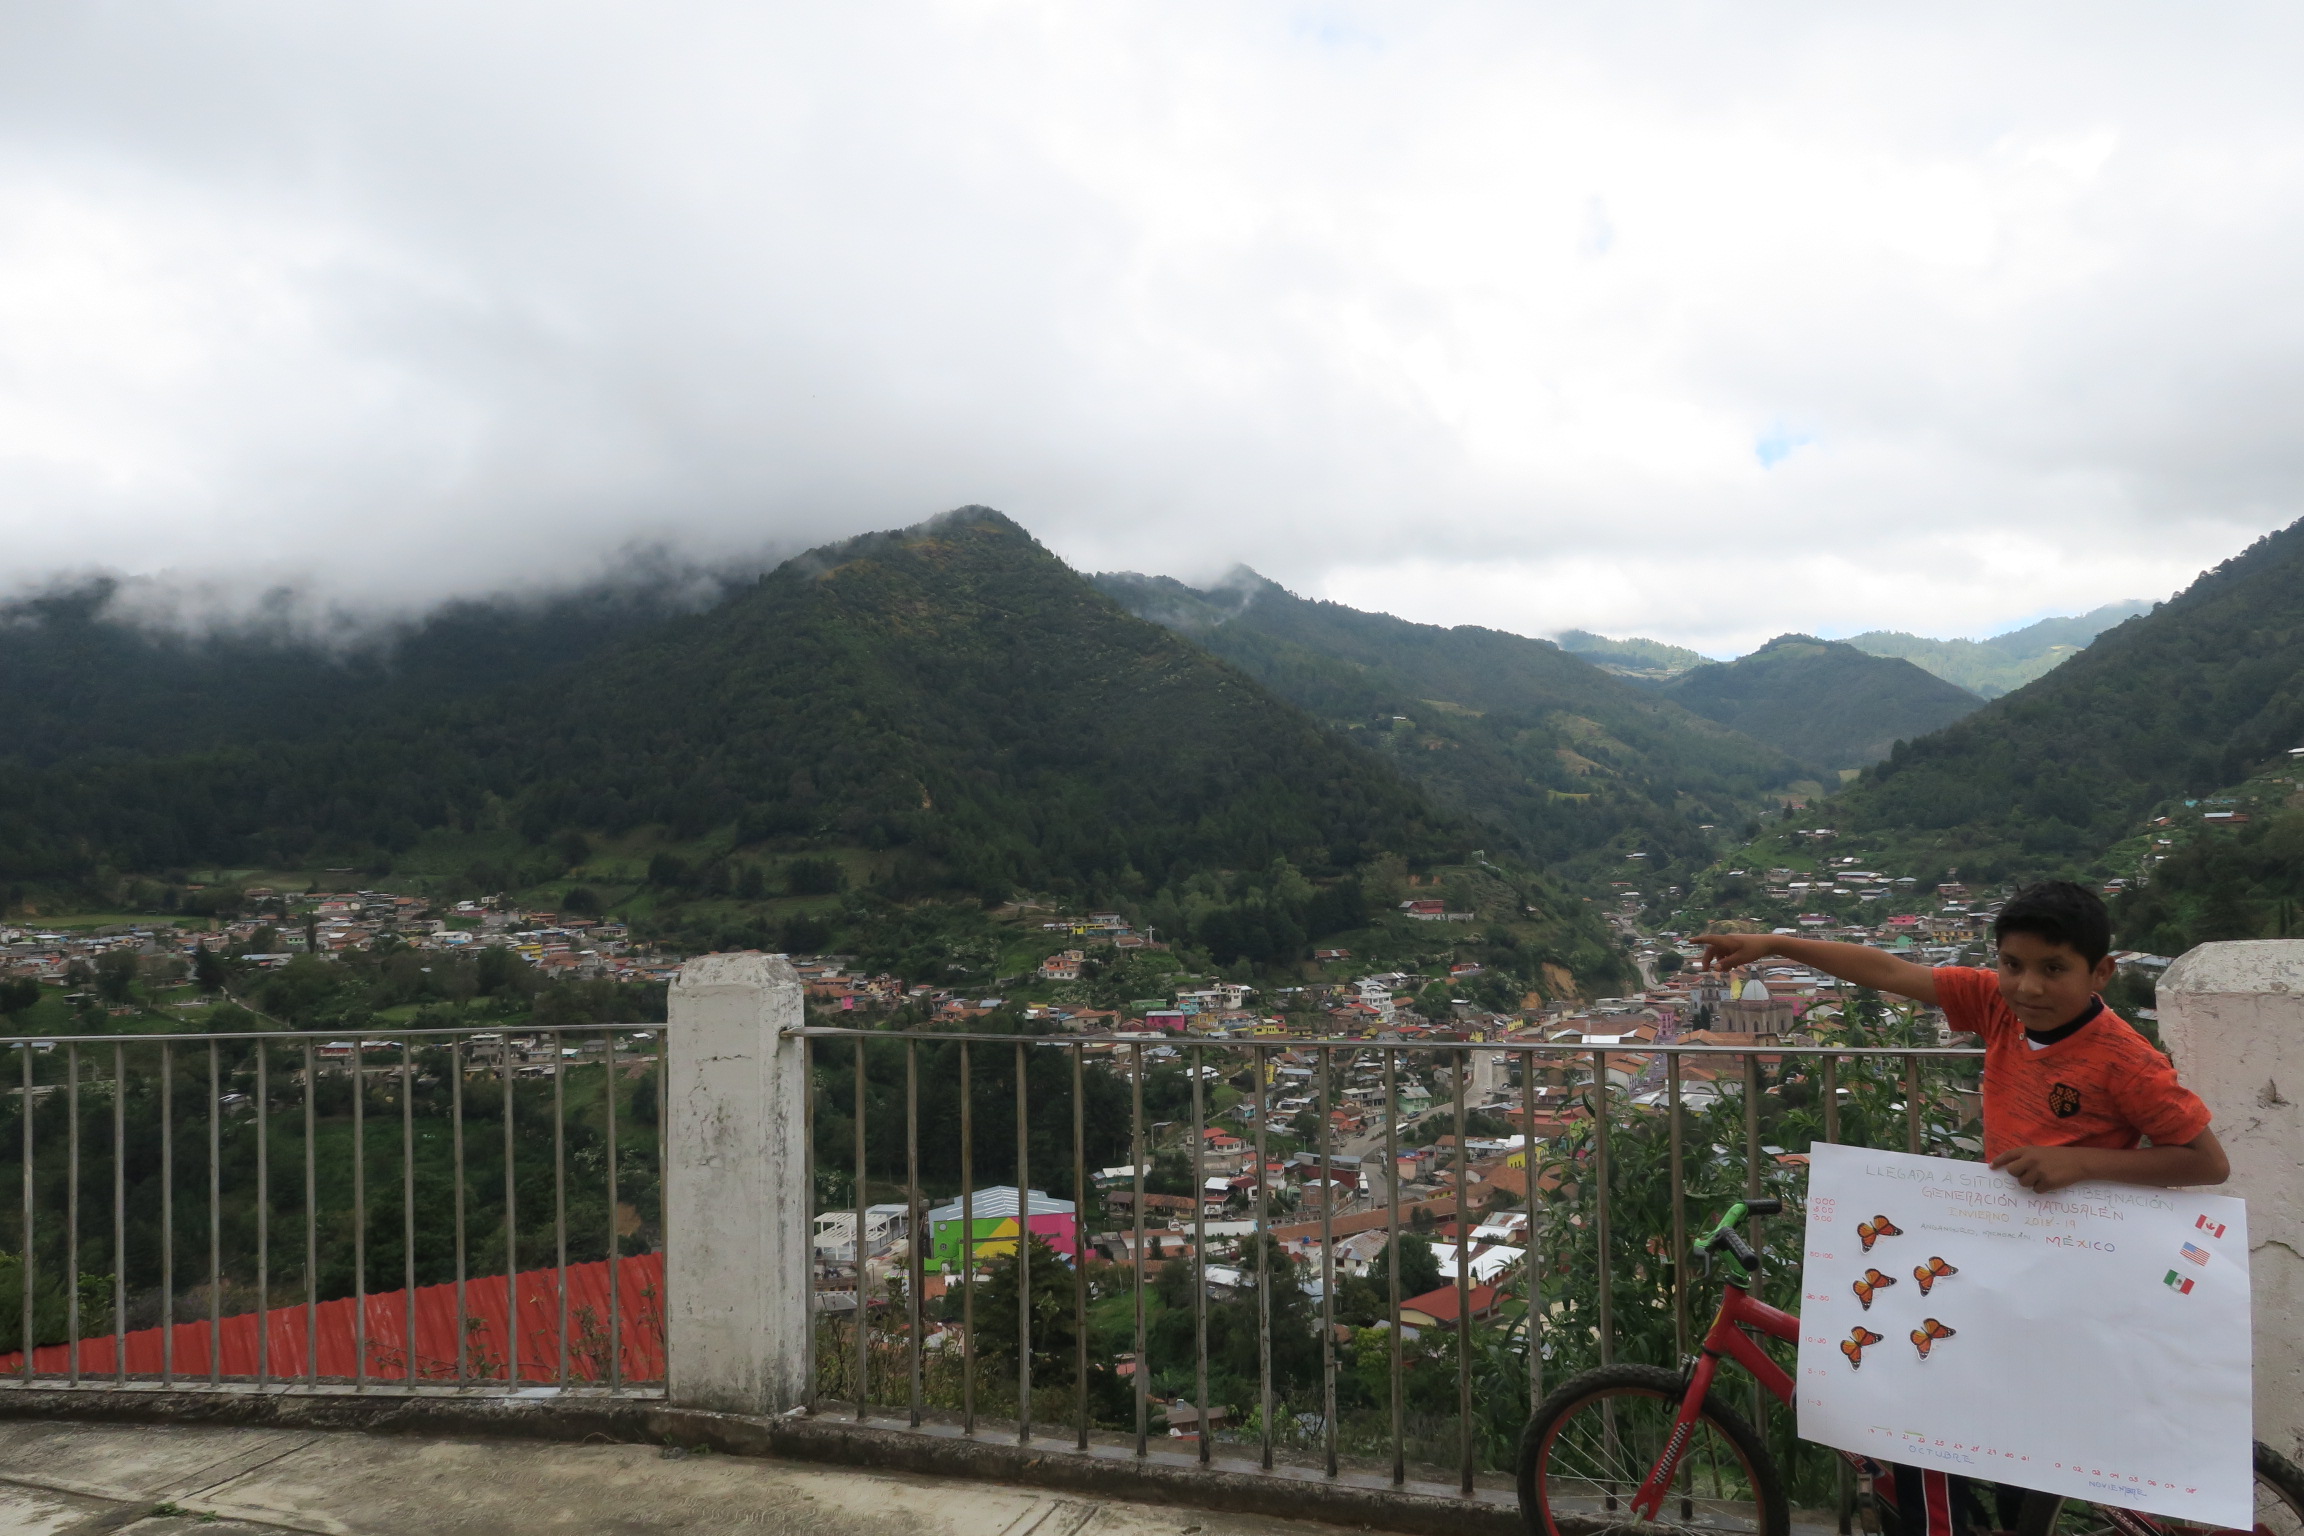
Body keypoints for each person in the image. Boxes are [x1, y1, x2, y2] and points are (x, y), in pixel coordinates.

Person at [1694, 878, 2229, 1536]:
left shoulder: (2126, 1060)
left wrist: (2081, 1161)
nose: (2028, 986)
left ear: (2102, 973)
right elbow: (1888, 969)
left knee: (1965, 1431)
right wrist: (1774, 944)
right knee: (1945, 1409)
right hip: (2004, 1257)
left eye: (2053, 969)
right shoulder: (1996, 1007)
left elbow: (2207, 1161)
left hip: (2067, 1275)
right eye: (2013, 965)